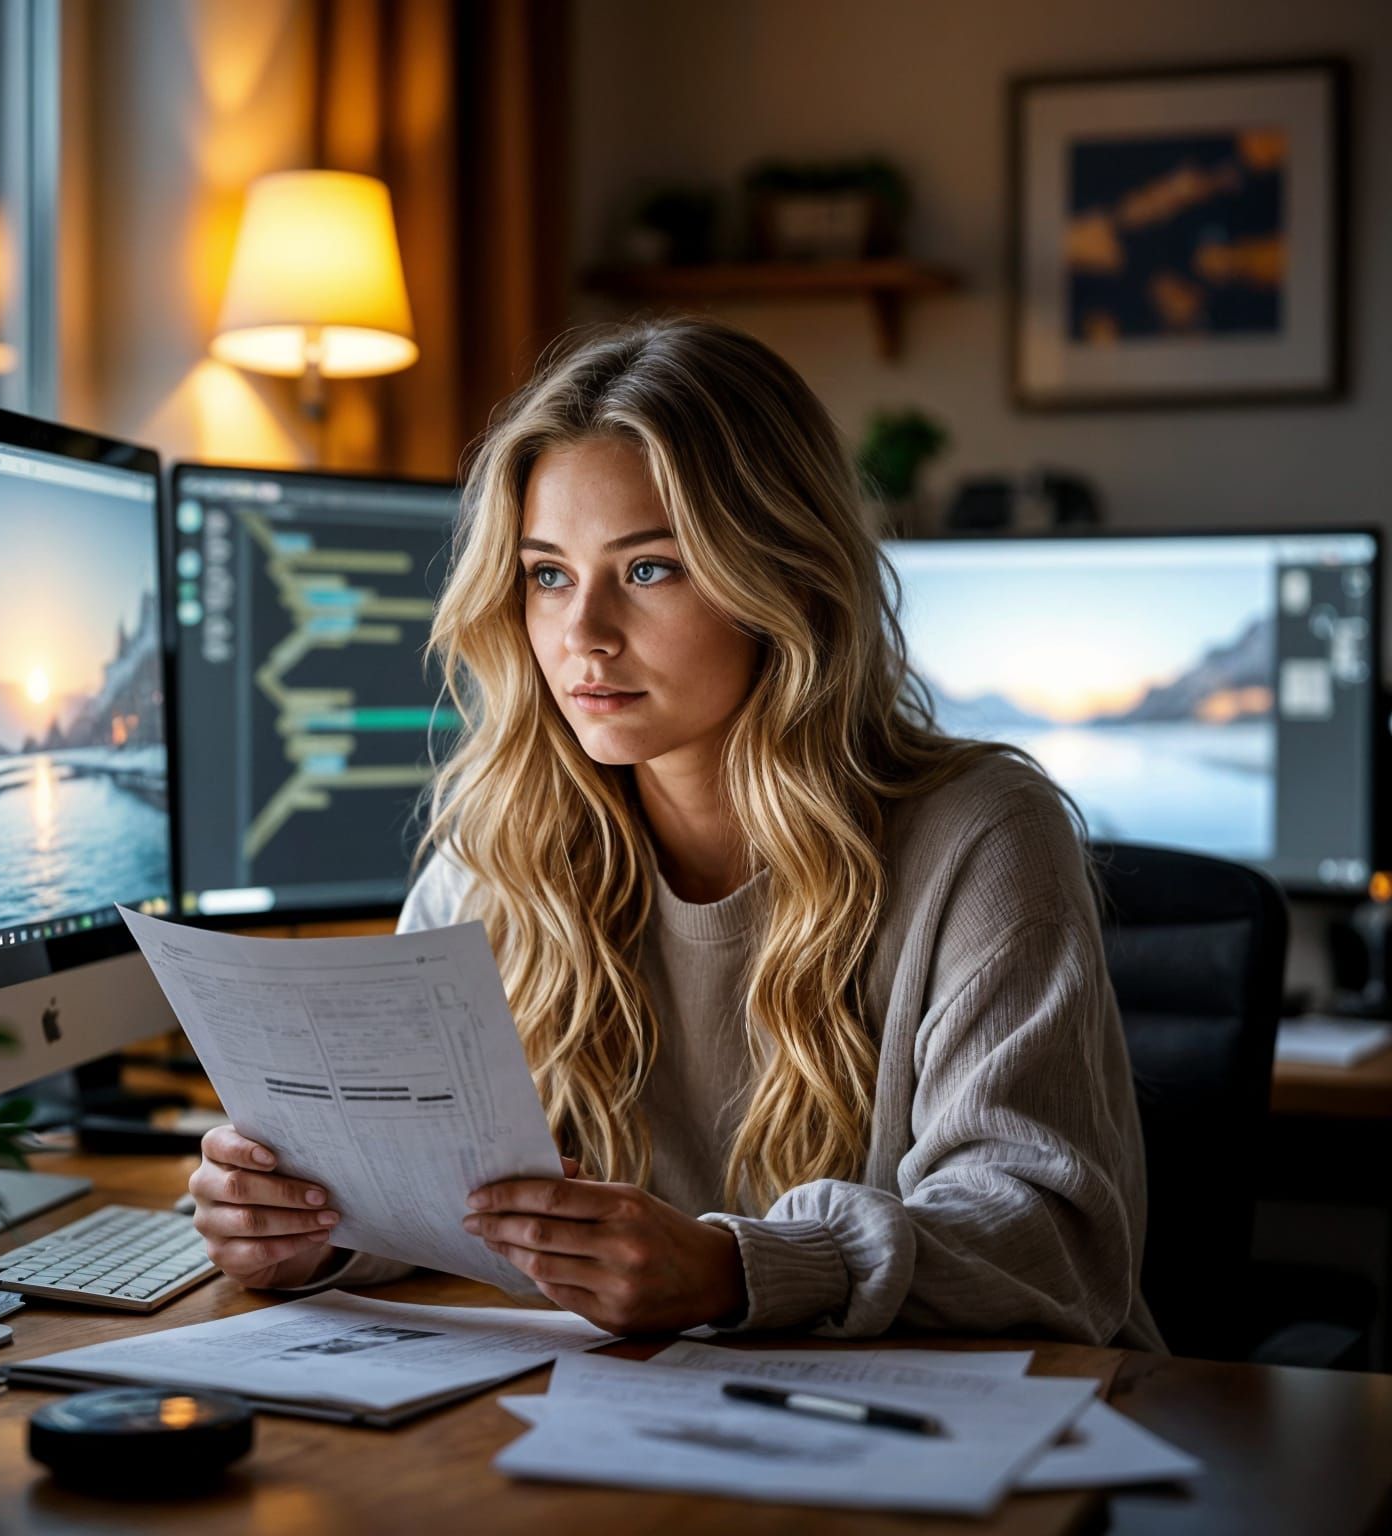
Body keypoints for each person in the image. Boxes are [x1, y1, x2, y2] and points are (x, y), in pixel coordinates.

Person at [189, 317, 1163, 1349]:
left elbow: (1048, 1239)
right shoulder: (497, 852)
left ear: (784, 577)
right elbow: (430, 1193)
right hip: (613, 1416)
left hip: (959, 1430)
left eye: (650, 569)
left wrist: (734, 1271)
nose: (584, 634)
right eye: (548, 574)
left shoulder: (980, 838)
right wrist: (308, 1229)